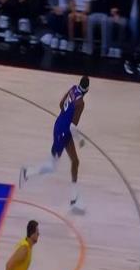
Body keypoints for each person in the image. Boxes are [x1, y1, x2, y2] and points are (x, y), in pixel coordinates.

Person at [20, 76, 89, 211]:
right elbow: (73, 127)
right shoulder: (80, 103)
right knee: (52, 166)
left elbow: (61, 104)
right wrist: (80, 140)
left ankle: (74, 199)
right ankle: (28, 172)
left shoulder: (73, 89)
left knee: (75, 162)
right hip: (63, 132)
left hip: (60, 126)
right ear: (87, 89)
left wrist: (66, 116)